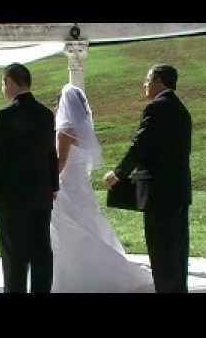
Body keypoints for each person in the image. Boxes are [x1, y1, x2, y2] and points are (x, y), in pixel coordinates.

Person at [50, 83, 153, 293]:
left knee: (68, 230)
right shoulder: (82, 128)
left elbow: (60, 162)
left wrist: (47, 180)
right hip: (80, 185)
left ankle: (71, 277)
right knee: (86, 226)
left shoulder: (65, 130)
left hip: (66, 185)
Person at [104, 64, 192, 293]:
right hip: (179, 191)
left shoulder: (156, 108)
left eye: (148, 80)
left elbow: (140, 145)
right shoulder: (182, 110)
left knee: (161, 253)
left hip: (159, 194)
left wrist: (118, 173)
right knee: (177, 251)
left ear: (159, 81)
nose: (145, 84)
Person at [0, 63, 59, 293]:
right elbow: (51, 154)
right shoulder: (46, 114)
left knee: (13, 255)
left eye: (3, 83)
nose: (2, 88)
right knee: (41, 251)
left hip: (11, 198)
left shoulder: (4, 116)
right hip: (41, 195)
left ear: (10, 82)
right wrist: (53, 185)